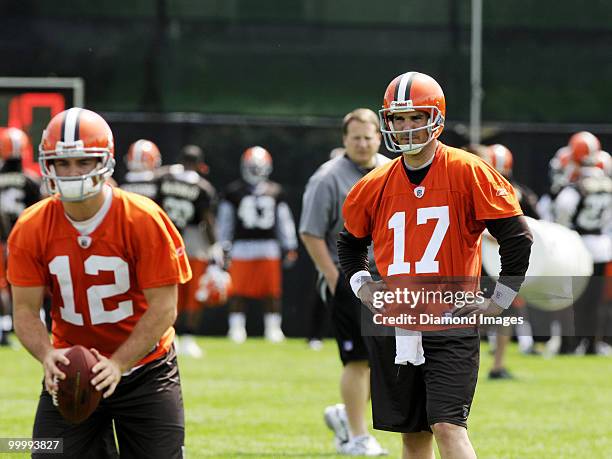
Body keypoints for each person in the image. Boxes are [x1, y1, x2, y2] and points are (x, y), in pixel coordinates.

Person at [337, 72, 532, 459]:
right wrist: (364, 285)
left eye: (416, 117)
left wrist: (499, 299)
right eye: (398, 118)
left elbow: (517, 237)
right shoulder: (373, 183)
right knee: (413, 434)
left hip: (451, 317)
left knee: (448, 426)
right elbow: (349, 244)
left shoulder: (468, 170)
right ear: (387, 122)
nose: (406, 127)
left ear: (436, 118)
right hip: (397, 320)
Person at [8, 108, 191, 458]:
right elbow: (25, 311)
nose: (72, 172)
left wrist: (118, 364)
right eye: (62, 163)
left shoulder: (143, 219)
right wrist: (48, 355)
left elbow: (164, 308)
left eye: (83, 162)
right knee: (48, 452)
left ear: (104, 162)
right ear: (47, 165)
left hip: (145, 369)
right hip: (71, 372)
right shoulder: (31, 227)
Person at [300, 109, 389, 456]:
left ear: (379, 138)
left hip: (386, 279)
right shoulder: (328, 178)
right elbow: (310, 232)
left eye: (369, 137)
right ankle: (357, 436)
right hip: (348, 277)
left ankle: (344, 416)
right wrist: (337, 278)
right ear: (344, 140)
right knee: (358, 359)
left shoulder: (390, 171)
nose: (363, 144)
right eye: (356, 138)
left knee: (385, 361)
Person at [217, 146, 298, 343]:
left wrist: (289, 245)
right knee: (237, 290)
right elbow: (225, 221)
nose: (254, 171)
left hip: (268, 245)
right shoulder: (233, 191)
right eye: (251, 167)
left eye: (257, 167)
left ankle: (273, 329)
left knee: (271, 290)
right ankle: (237, 329)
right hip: (241, 246)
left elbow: (283, 221)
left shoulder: (275, 191)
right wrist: (222, 245)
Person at [156, 144, 224, 358]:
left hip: (165, 238)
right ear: (198, 164)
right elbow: (207, 220)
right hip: (192, 242)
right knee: (194, 293)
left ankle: (168, 335)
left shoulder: (163, 177)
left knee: (168, 291)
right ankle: (187, 338)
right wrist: (215, 248)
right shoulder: (202, 187)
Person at [553, 131, 612, 356]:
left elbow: (563, 216)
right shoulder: (607, 185)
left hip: (578, 247)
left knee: (573, 299)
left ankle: (570, 344)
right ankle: (593, 344)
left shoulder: (574, 188)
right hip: (602, 247)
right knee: (596, 301)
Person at [0, 127, 42, 345]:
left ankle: (3, 327)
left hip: (2, 238)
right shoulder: (31, 180)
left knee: (2, 286)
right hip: (25, 239)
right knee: (30, 282)